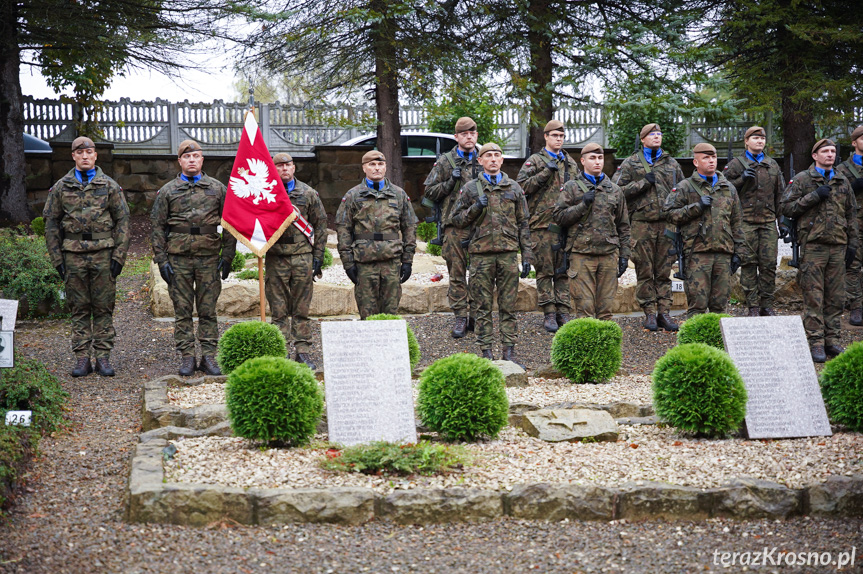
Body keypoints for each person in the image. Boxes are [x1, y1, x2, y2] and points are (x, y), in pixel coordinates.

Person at [43, 136, 130, 377]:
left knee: (103, 307)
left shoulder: (110, 186)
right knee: (79, 307)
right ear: (73, 156)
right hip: (73, 255)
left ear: (95, 155)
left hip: (103, 253)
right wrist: (57, 260)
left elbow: (123, 220)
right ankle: (82, 357)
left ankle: (102, 357)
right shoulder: (61, 187)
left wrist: (119, 256)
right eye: (79, 152)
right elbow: (51, 223)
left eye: (89, 152)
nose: (84, 156)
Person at [151, 140, 236, 376]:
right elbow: (157, 227)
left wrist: (227, 255)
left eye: (196, 156)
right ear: (179, 161)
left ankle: (209, 356)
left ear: (202, 160)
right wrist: (162, 260)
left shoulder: (218, 189)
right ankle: (187, 356)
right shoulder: (167, 191)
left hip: (208, 258)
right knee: (183, 309)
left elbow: (230, 224)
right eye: (187, 157)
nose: (191, 160)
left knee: (208, 309)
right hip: (178, 259)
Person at [451, 142, 532, 366]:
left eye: (497, 155)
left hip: (507, 254)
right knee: (482, 306)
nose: (493, 159)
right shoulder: (469, 189)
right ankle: (486, 352)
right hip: (481, 256)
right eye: (488, 156)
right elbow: (456, 220)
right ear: (480, 161)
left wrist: (527, 256)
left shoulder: (514, 188)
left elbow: (524, 223)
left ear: (502, 160)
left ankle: (509, 353)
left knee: (509, 306)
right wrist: (476, 207)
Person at [781, 138, 859, 362]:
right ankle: (815, 342)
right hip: (813, 246)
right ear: (815, 155)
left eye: (833, 151)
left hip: (838, 245)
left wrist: (852, 244)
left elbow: (851, 215)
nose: (830, 155)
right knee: (814, 296)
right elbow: (786, 207)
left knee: (835, 297)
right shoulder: (803, 179)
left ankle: (832, 340)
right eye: (825, 151)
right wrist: (813, 197)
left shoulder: (842, 180)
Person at [613, 123, 684, 332]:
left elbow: (682, 191)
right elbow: (616, 192)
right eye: (652, 134)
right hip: (641, 225)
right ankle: (649, 313)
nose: (657, 137)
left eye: (659, 134)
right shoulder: (631, 163)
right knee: (645, 270)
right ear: (643, 139)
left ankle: (664, 312)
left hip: (667, 225)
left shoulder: (672, 164)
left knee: (664, 271)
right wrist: (642, 183)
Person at [663, 143, 747, 318]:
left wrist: (739, 252)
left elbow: (737, 222)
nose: (711, 161)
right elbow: (669, 214)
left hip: (724, 253)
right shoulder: (685, 187)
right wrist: (697, 207)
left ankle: (717, 342)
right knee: (697, 305)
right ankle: (696, 344)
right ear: (695, 162)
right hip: (697, 253)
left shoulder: (728, 188)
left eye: (713, 157)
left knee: (720, 305)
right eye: (706, 158)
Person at [552, 143, 630, 320]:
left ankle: (605, 346)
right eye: (592, 158)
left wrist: (624, 255)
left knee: (606, 309)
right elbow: (559, 217)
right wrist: (582, 205)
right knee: (584, 308)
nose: (597, 162)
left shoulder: (615, 190)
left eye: (600, 158)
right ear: (583, 161)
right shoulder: (572, 187)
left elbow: (623, 225)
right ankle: (586, 346)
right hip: (581, 254)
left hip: (608, 255)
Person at [516, 119, 580, 332]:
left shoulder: (570, 163)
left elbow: (578, 187)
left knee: (563, 270)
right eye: (555, 136)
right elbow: (521, 188)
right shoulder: (534, 161)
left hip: (565, 224)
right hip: (541, 225)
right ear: (546, 137)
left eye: (561, 136)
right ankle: (549, 313)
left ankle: (563, 311)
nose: (559, 139)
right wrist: (545, 172)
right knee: (544, 271)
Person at [336, 150, 417, 319]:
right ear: (364, 168)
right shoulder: (353, 196)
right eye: (372, 164)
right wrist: (348, 263)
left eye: (380, 164)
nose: (377, 168)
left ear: (385, 167)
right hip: (365, 263)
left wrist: (407, 261)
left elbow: (409, 227)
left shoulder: (399, 194)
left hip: (392, 262)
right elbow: (343, 229)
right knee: (367, 314)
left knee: (391, 315)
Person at [265, 153, 327, 370]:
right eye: (279, 165)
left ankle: (302, 351)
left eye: (288, 165)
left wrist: (318, 256)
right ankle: (280, 351)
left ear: (294, 167)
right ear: (274, 169)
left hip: (302, 257)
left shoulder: (308, 193)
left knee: (301, 309)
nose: (284, 168)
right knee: (278, 310)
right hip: (276, 257)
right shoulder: (266, 193)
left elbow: (320, 225)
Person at [422, 117, 481, 338]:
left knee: (479, 273)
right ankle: (460, 316)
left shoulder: (484, 158)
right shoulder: (446, 161)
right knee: (457, 273)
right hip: (454, 226)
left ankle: (476, 315)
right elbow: (429, 192)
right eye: (464, 134)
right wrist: (449, 182)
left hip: (480, 226)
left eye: (472, 133)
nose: (469, 137)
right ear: (456, 137)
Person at [723, 126, 785, 317]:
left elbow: (780, 195)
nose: (759, 141)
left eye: (762, 138)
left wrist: (782, 222)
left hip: (767, 222)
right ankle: (753, 306)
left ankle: (767, 303)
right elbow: (722, 188)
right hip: (746, 223)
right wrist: (741, 179)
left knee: (768, 264)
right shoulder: (736, 164)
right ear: (746, 141)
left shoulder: (772, 165)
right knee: (748, 263)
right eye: (755, 138)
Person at [835, 125, 863, 326]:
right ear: (854, 143)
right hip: (854, 226)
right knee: (852, 266)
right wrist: (853, 188)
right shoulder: (842, 170)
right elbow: (834, 197)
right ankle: (855, 307)